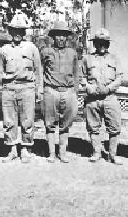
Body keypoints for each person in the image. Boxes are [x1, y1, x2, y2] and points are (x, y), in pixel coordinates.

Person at [0, 18, 42, 163]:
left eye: (20, 30)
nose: (17, 33)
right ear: (10, 31)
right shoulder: (4, 50)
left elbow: (38, 70)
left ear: (24, 32)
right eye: (15, 30)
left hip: (27, 87)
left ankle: (25, 149)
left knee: (27, 120)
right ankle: (12, 149)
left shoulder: (31, 48)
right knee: (9, 121)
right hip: (9, 88)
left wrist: (39, 90)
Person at [82, 28, 123, 165]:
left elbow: (119, 78)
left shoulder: (115, 59)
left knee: (114, 127)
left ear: (108, 44)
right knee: (93, 127)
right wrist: (89, 87)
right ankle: (96, 153)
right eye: (99, 43)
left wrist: (109, 88)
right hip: (92, 99)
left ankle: (112, 155)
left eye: (105, 43)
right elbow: (81, 77)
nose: (102, 46)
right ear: (95, 44)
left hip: (110, 98)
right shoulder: (87, 59)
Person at [42, 21, 79, 163]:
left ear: (67, 37)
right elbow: (41, 69)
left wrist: (74, 91)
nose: (61, 39)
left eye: (64, 36)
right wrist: (42, 90)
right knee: (49, 123)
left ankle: (62, 153)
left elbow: (76, 74)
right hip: (51, 91)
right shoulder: (46, 51)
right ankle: (51, 153)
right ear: (53, 37)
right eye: (58, 35)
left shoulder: (72, 53)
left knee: (65, 124)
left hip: (68, 92)